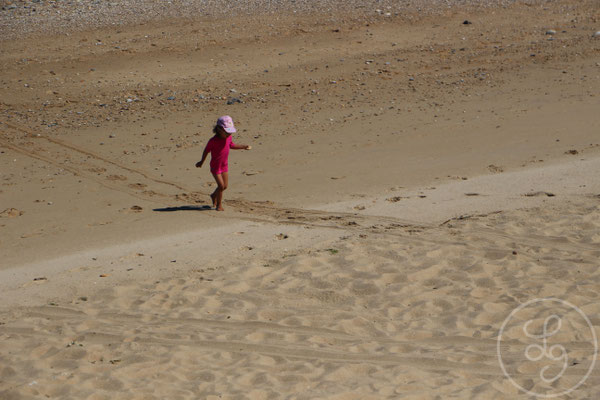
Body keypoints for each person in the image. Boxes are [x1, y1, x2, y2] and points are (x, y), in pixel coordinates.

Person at [196, 116, 251, 211]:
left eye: (230, 132)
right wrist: (201, 162)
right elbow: (206, 151)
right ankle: (219, 205)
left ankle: (213, 195)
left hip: (224, 165)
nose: (229, 134)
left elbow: (232, 145)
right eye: (226, 132)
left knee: (225, 186)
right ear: (219, 129)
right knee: (221, 186)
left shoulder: (228, 138)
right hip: (215, 167)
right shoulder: (213, 141)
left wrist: (243, 146)